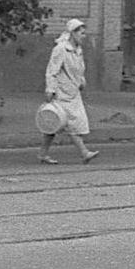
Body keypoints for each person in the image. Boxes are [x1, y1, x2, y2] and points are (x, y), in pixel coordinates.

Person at [38, 18, 98, 164]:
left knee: (54, 124)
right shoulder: (60, 49)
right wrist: (50, 89)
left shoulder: (78, 50)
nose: (83, 36)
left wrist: (82, 80)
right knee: (71, 123)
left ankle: (42, 154)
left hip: (73, 92)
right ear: (73, 33)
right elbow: (52, 70)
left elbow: (79, 69)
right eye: (81, 33)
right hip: (62, 93)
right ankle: (84, 152)